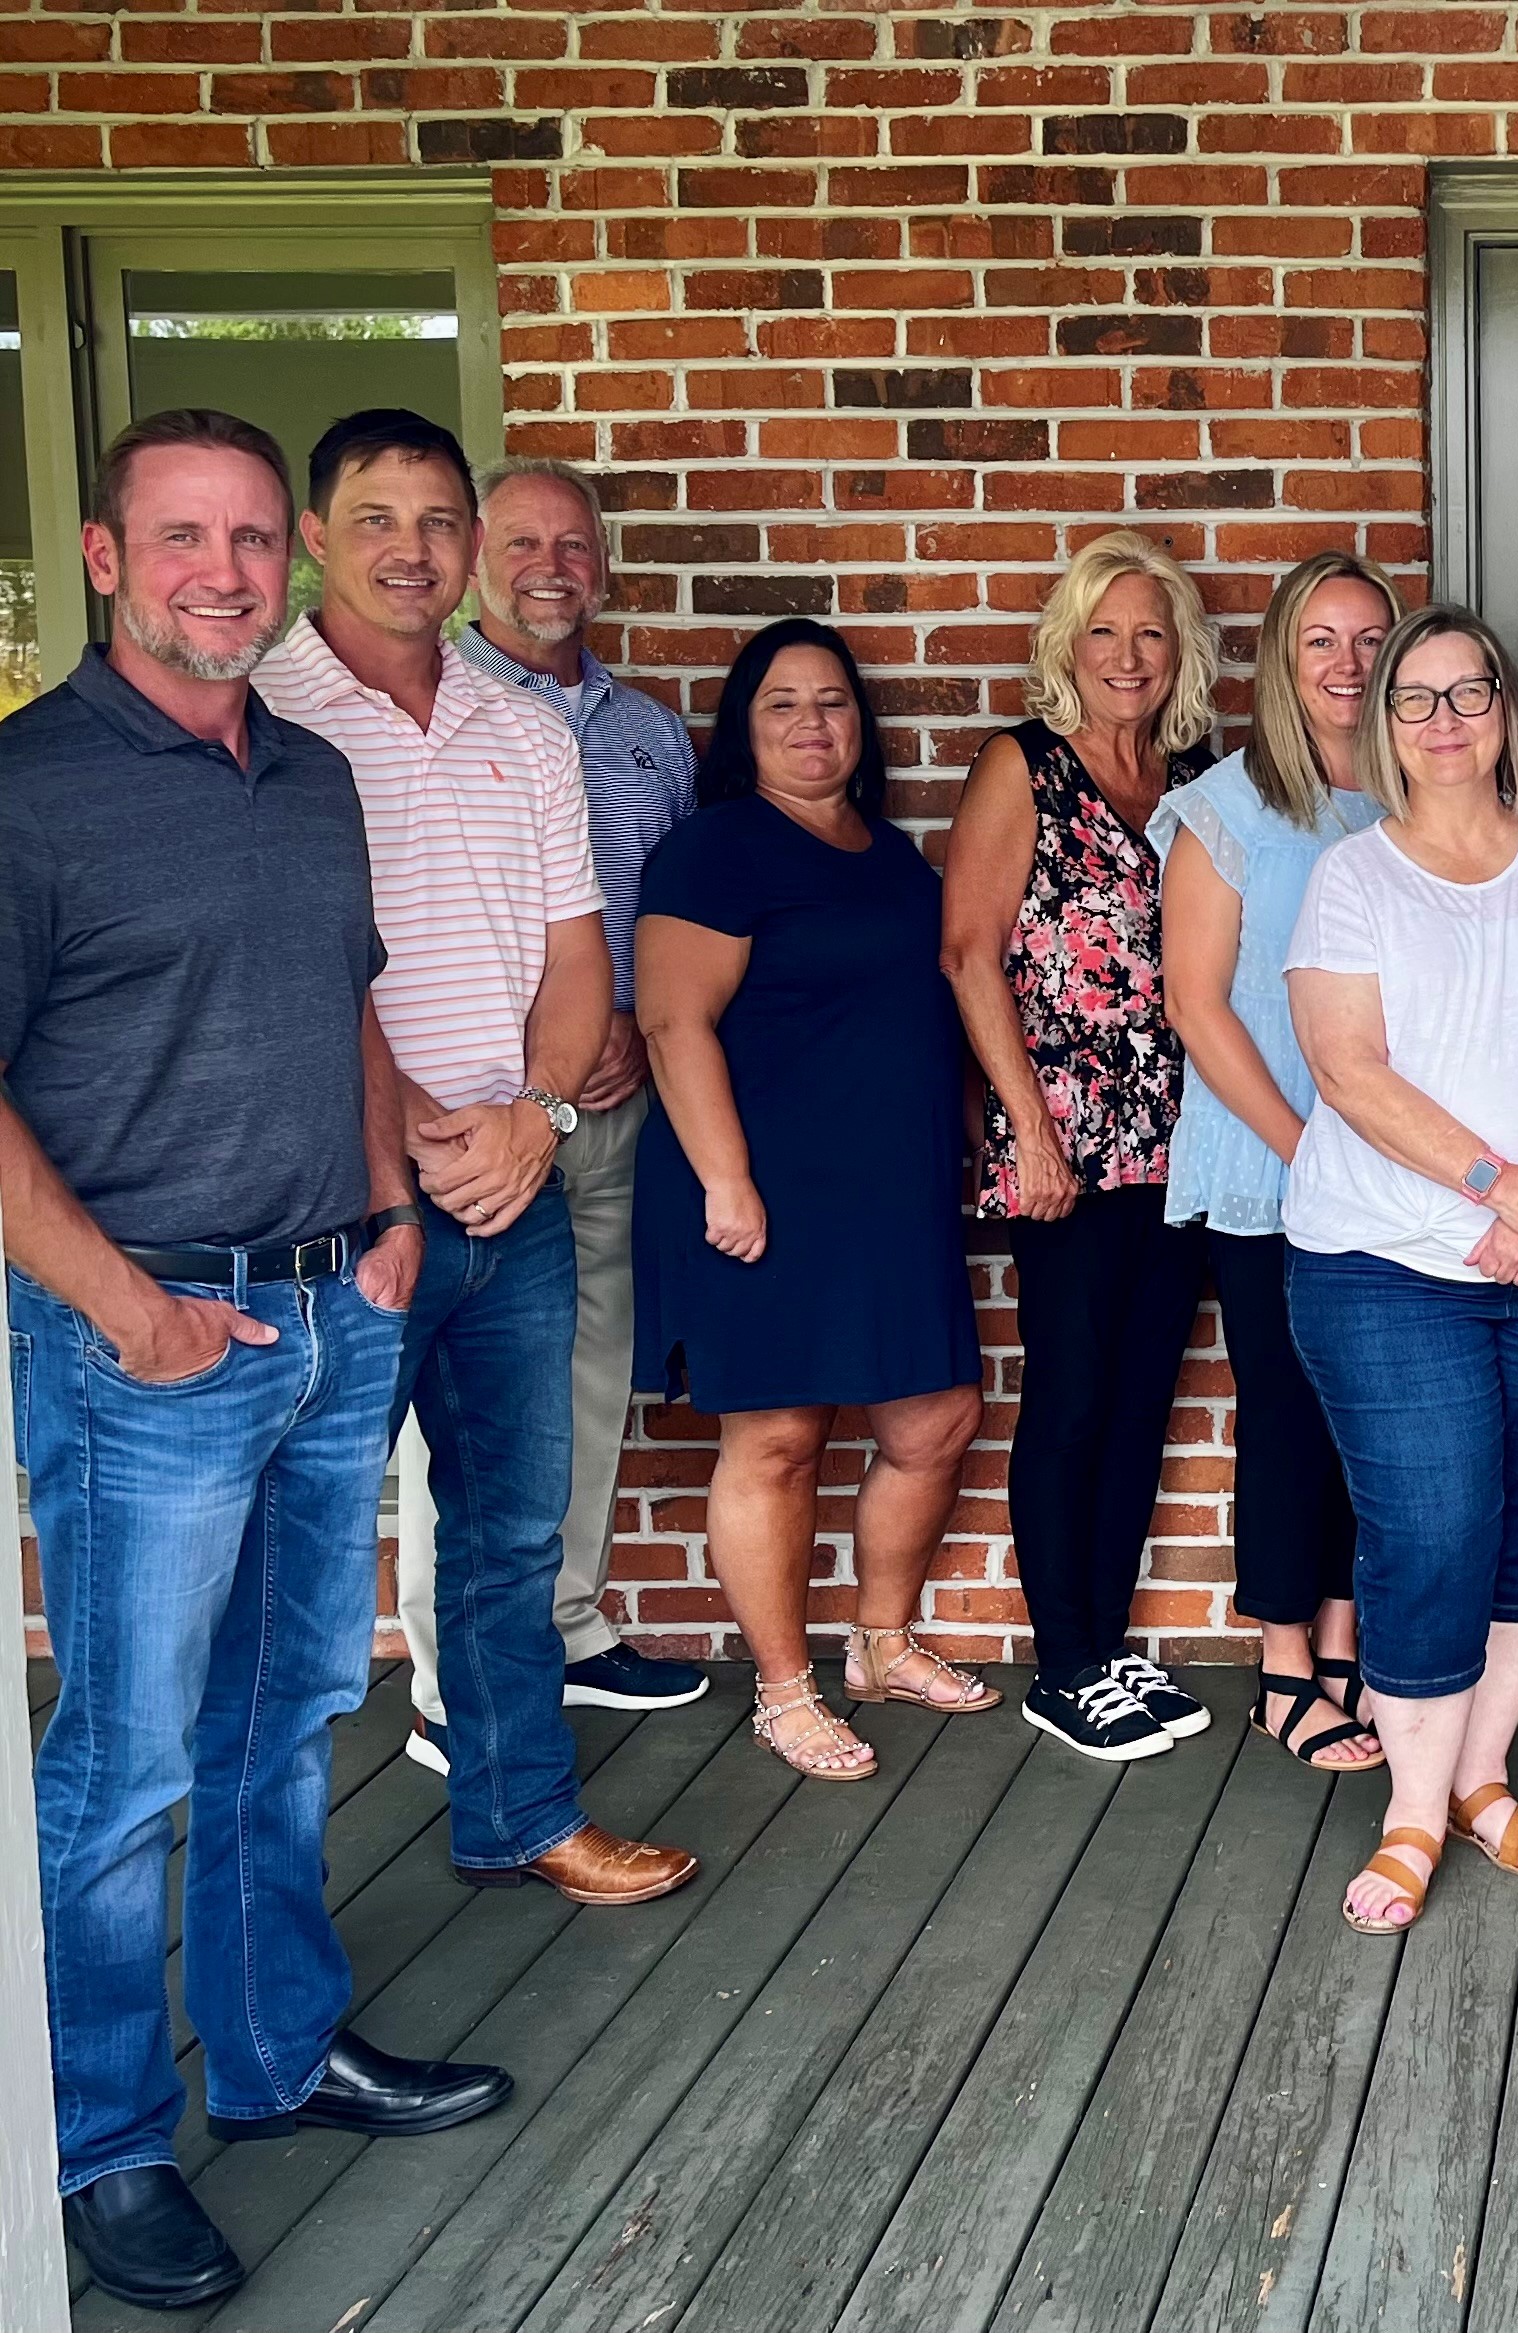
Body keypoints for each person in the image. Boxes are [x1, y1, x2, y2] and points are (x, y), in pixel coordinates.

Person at [3, 408, 508, 2313]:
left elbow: (346, 999)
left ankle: (280, 2052)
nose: (223, 573)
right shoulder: (30, 789)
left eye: (246, 540)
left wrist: (388, 1208)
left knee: (288, 1712)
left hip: (326, 1313)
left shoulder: (308, 771)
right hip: (145, 1340)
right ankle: (105, 2141)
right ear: (105, 559)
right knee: (127, 1758)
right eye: (180, 537)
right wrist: (128, 1309)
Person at [258, 409, 695, 1907]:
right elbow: (303, 970)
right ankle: (271, 1922)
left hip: (513, 1184)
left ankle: (520, 1813)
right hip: (344, 1206)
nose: (413, 549)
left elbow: (578, 955)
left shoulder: (526, 729)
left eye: (437, 521)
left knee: (510, 1532)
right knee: (304, 1562)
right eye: (377, 519)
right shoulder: (265, 714)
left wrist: (536, 1114)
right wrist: (412, 1141)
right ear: (316, 537)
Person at [1283, 604, 1518, 1932]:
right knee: (1430, 1525)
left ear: (1506, 712)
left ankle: (1479, 1776)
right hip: (1388, 1261)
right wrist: (1504, 1187)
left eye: (1469, 692)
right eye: (1415, 697)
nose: (1444, 720)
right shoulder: (1353, 878)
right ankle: (1410, 1811)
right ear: (1386, 724)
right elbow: (1347, 1069)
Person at [633, 619, 999, 1782]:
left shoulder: (886, 853)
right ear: (743, 728)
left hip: (887, 1196)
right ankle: (783, 1690)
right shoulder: (716, 850)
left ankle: (880, 1643)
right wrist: (726, 1178)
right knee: (779, 1438)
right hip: (764, 1186)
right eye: (782, 702)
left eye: (832, 701)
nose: (811, 723)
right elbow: (672, 1021)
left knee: (934, 1419)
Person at [945, 532, 1222, 1761]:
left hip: (1183, 1137)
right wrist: (1029, 1129)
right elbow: (969, 952)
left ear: (1181, 651)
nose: (1127, 655)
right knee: (1070, 1390)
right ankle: (1064, 1661)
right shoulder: (1025, 765)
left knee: (1142, 1391)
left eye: (1150, 631)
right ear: (1068, 644)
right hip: (1062, 1138)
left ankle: (1108, 1648)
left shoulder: (1198, 777)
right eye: (1104, 630)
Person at [454, 455, 709, 1719]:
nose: (550, 568)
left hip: (614, 1099)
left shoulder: (647, 732)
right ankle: (453, 1681)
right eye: (521, 543)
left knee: (592, 1371)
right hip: (480, 1109)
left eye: (572, 546)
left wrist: (640, 1034)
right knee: (461, 1394)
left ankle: (565, 1622)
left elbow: (680, 910)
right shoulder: (435, 711)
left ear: (602, 565)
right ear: (473, 558)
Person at [1150, 551, 1394, 1771]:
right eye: (1321, 641)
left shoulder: (1416, 797)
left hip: (1398, 1169)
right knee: (1290, 1412)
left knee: (1374, 1414)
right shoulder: (1229, 808)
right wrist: (1309, 1153)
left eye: (1369, 640)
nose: (1347, 665)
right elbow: (1196, 1004)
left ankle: (1347, 1643)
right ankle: (1286, 1666)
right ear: (1282, 661)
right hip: (1274, 1165)